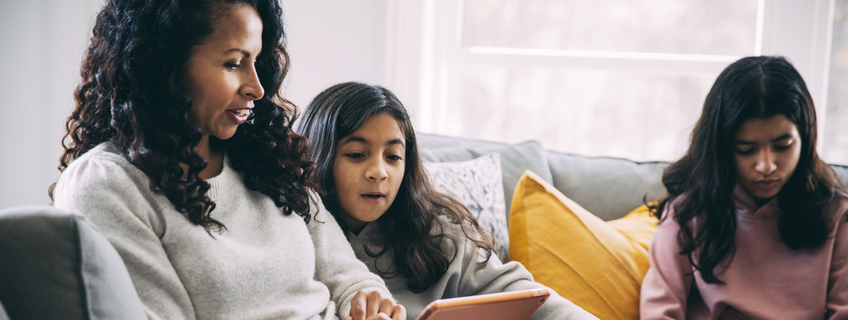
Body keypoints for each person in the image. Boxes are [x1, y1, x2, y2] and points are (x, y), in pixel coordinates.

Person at [49, 1, 404, 319]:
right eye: (234, 63)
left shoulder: (268, 160)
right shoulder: (106, 186)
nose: (257, 88)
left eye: (256, 62)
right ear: (164, 67)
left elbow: (349, 278)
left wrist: (369, 303)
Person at [297, 81, 597, 320]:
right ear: (318, 156)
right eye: (357, 155)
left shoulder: (438, 233)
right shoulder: (292, 234)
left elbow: (527, 297)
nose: (379, 172)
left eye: (393, 157)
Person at [640, 56, 848, 319]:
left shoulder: (838, 217)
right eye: (746, 150)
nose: (766, 165)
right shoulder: (687, 215)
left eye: (782, 146)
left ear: (805, 139)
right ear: (721, 149)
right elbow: (659, 311)